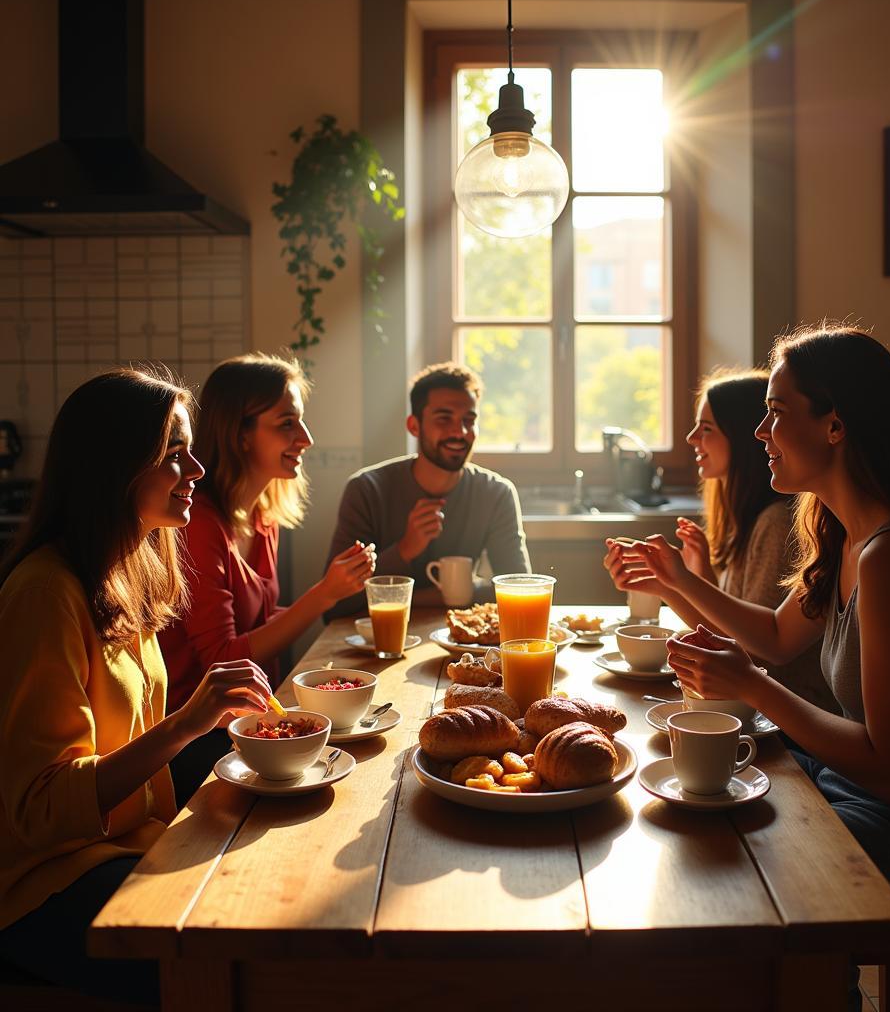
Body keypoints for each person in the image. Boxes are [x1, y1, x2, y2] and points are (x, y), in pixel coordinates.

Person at [619, 325, 890, 941]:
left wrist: (750, 684)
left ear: (836, 425)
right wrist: (677, 581)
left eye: (775, 414)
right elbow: (778, 637)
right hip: (861, 793)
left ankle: (818, 990)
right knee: (696, 811)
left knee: (722, 861)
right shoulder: (843, 530)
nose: (761, 434)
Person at [0, 369, 274, 1006]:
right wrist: (185, 723)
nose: (197, 471)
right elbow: (40, 811)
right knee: (227, 950)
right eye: (174, 456)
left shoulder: (130, 569)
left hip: (126, 842)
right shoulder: (46, 594)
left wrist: (204, 723)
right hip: (47, 884)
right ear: (114, 470)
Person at [159, 353, 376, 805]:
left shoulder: (261, 516)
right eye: (287, 424)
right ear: (239, 434)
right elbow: (223, 658)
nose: (306, 439)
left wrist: (338, 614)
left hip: (257, 722)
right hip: (194, 742)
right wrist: (322, 597)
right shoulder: (197, 524)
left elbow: (257, 622)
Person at [604, 369, 838, 713]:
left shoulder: (778, 521)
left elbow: (757, 651)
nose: (690, 438)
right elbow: (734, 635)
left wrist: (679, 581)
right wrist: (668, 585)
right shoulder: (746, 519)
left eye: (707, 429)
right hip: (762, 711)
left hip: (778, 720)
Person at [324, 362, 530, 619]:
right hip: (378, 645)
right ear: (414, 426)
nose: (460, 431)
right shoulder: (366, 490)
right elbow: (336, 605)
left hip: (464, 643)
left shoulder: (496, 493)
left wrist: (446, 595)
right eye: (444, 419)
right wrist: (405, 550)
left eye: (469, 420)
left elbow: (522, 591)